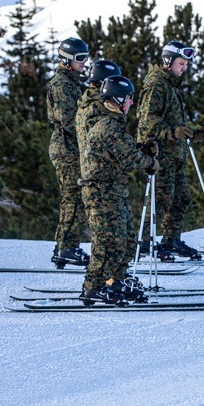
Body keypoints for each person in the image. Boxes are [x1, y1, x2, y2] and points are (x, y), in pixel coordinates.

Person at [78, 76, 158, 304]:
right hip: (101, 192)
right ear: (119, 98)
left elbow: (124, 151)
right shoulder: (108, 126)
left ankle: (115, 280)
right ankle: (93, 286)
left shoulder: (114, 123)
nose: (132, 103)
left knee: (127, 241)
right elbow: (128, 157)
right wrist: (149, 161)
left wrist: (143, 149)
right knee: (107, 241)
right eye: (130, 98)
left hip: (114, 190)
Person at [136, 41, 204, 259]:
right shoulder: (157, 84)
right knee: (161, 198)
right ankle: (146, 241)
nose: (184, 67)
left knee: (181, 197)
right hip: (161, 153)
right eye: (181, 63)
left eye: (186, 63)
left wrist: (194, 134)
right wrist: (171, 132)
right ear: (168, 61)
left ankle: (171, 238)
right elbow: (147, 119)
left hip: (175, 153)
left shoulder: (171, 86)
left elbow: (175, 126)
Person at [46, 37, 90, 268]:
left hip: (74, 149)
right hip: (67, 149)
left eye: (86, 58)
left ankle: (65, 245)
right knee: (73, 198)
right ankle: (66, 247)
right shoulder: (62, 84)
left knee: (75, 198)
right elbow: (69, 120)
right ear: (67, 60)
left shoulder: (73, 83)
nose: (85, 63)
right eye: (80, 59)